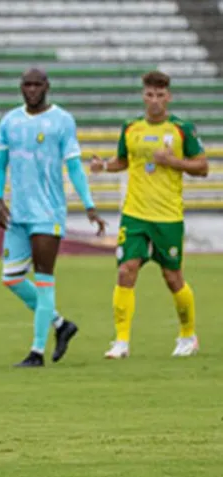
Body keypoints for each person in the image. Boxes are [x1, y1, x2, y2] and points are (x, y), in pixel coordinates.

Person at [0, 68, 106, 367]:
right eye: (26, 84)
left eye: (36, 84)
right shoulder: (9, 122)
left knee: (44, 280)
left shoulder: (62, 121)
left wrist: (89, 205)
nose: (31, 89)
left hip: (47, 213)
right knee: (11, 278)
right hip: (18, 213)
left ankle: (37, 352)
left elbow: (75, 167)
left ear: (47, 86)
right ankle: (60, 324)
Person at [91, 71, 208, 358]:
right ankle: (121, 341)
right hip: (135, 215)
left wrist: (173, 161)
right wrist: (104, 166)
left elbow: (202, 167)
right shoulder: (131, 128)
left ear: (168, 97)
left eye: (160, 95)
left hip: (167, 216)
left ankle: (188, 335)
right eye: (149, 94)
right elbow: (123, 161)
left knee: (172, 277)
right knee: (125, 271)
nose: (154, 100)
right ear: (143, 96)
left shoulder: (182, 129)